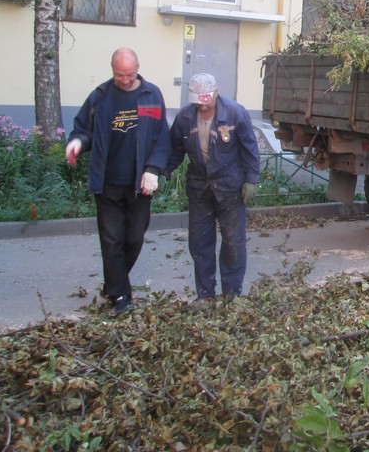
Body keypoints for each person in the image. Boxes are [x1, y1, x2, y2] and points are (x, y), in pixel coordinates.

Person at [65, 48, 171, 316]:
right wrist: (77, 143)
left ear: (138, 69)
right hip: (107, 182)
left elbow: (162, 138)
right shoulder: (101, 97)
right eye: (118, 74)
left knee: (134, 237)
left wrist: (153, 169)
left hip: (140, 184)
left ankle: (114, 281)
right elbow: (83, 130)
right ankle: (121, 296)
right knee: (112, 240)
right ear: (112, 69)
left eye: (129, 74)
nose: (124, 80)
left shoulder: (151, 95)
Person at [167, 72, 260, 304]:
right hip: (200, 188)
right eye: (199, 102)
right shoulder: (185, 118)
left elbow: (250, 148)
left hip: (230, 187)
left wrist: (251, 180)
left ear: (216, 93)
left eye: (206, 101)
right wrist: (160, 171)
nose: (203, 106)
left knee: (233, 242)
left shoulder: (235, 113)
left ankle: (231, 293)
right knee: (200, 243)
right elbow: (174, 149)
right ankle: (205, 294)